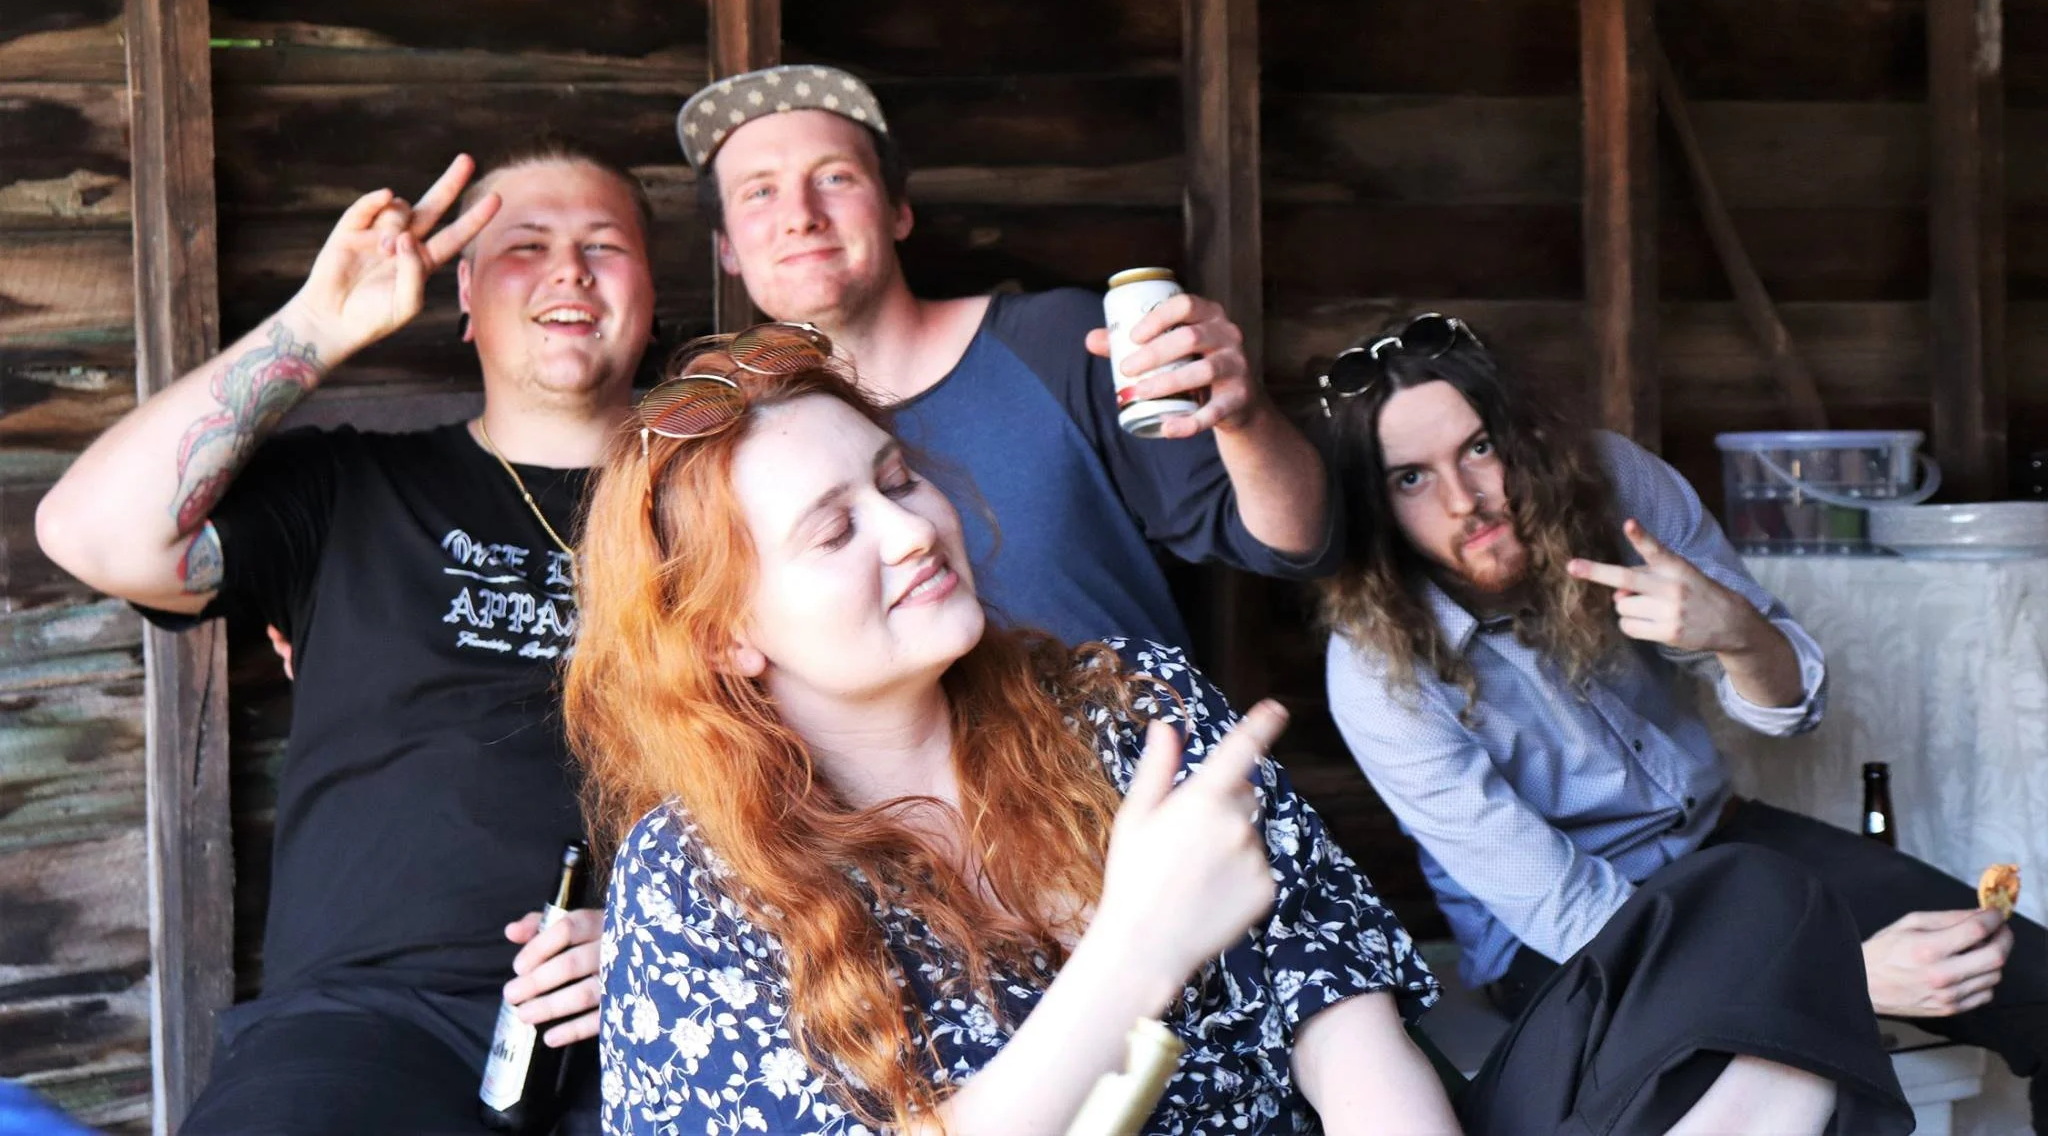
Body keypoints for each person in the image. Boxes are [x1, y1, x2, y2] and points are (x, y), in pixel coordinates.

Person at [563, 331, 1913, 1135]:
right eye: (835, 527)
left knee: (1751, 906)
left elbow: (1348, 1027)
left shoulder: (1124, 705)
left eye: (900, 478)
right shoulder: (698, 881)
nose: (915, 529)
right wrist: (1138, 942)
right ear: (727, 632)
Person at [34, 142, 660, 1133]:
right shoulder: (350, 490)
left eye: (604, 245)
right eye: (524, 246)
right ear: (462, 293)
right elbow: (89, 533)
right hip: (368, 1025)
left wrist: (670, 942)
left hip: (662, 1001)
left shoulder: (733, 511)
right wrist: (318, 326)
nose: (568, 269)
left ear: (651, 289)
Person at [1318, 311, 2048, 1129]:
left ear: (1524, 434)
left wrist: (1734, 631)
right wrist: (1831, 975)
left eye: (1479, 447)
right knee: (1808, 1059)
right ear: (1375, 507)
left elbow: (1794, 708)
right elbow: (1566, 911)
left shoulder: (1617, 483)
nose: (1464, 501)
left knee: (2039, 983)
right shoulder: (1376, 673)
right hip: (1563, 944)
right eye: (1410, 478)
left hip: (1726, 844)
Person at [675, 65, 1333, 655]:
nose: (801, 216)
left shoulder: (1060, 341)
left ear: (899, 210)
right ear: (726, 247)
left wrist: (1244, 418)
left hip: (1144, 783)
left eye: (835, 177)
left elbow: (1292, 543)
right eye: (759, 192)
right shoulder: (733, 437)